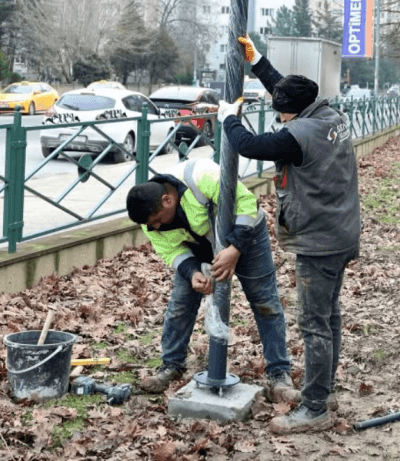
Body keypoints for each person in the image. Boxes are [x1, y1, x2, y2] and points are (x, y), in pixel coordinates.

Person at [214, 34, 362, 434]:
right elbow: (289, 94)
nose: (278, 118)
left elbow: (248, 144)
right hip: (342, 233)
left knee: (314, 323)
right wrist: (258, 62)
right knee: (328, 316)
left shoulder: (297, 136)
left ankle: (315, 408)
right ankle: (324, 391)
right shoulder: (329, 116)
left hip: (319, 240)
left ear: (293, 115)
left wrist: (227, 115)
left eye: (281, 114)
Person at [125, 158, 298, 403]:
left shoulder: (203, 176)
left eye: (157, 220)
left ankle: (279, 373)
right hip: (199, 245)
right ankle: (171, 365)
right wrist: (192, 272)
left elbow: (247, 202)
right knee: (180, 304)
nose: (154, 227)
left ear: (167, 200)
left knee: (264, 301)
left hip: (245, 234)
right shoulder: (149, 220)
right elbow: (170, 251)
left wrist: (234, 249)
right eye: (150, 225)